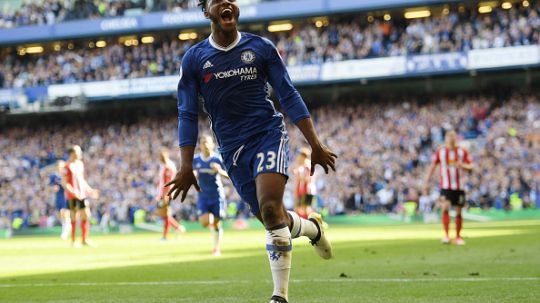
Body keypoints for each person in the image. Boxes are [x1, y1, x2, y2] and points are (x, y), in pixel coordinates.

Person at [166, 1, 338, 302]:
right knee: (275, 219)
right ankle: (313, 229)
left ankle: (279, 296)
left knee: (271, 208)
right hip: (231, 149)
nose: (226, 3)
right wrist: (185, 165)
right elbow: (186, 113)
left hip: (267, 135)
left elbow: (288, 92)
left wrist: (315, 142)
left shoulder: (260, 48)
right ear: (207, 12)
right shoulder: (194, 59)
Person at [424, 131, 473, 245]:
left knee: (459, 211)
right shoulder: (441, 151)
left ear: (456, 138)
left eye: (453, 136)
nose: (451, 138)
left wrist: (463, 165)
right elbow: (433, 166)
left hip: (460, 186)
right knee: (445, 207)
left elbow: (471, 166)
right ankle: (446, 236)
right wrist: (426, 181)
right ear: (445, 138)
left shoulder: (462, 151)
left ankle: (458, 237)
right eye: (449, 136)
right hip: (445, 186)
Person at [193, 135, 229, 256]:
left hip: (217, 195)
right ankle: (214, 230)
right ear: (200, 145)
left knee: (217, 222)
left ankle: (216, 248)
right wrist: (193, 176)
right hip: (203, 196)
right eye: (203, 142)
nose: (205, 145)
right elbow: (192, 175)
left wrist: (219, 171)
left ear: (212, 144)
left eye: (207, 142)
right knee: (205, 222)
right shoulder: (196, 160)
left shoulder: (217, 159)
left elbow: (229, 176)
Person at [63, 145, 98, 247]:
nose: (80, 154)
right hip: (72, 196)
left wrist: (89, 190)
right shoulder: (67, 166)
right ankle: (73, 241)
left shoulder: (80, 164)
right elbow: (65, 183)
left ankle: (84, 239)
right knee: (74, 217)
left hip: (81, 194)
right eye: (78, 152)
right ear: (72, 153)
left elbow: (82, 181)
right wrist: (74, 192)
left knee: (85, 215)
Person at [155, 149, 185, 240]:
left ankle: (168, 234)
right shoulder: (165, 165)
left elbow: (168, 182)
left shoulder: (168, 166)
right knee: (164, 214)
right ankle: (177, 228)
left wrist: (165, 195)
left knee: (165, 214)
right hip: (163, 193)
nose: (160, 158)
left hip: (167, 193)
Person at [293, 148, 316, 219]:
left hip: (307, 190)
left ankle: (311, 224)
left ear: (303, 156)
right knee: (298, 209)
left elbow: (309, 179)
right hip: (301, 190)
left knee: (305, 209)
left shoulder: (307, 166)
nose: (298, 158)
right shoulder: (301, 166)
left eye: (300, 156)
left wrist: (299, 176)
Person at [50, 160, 70, 240]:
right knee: (60, 214)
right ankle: (66, 227)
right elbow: (50, 186)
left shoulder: (66, 175)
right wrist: (53, 188)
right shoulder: (53, 176)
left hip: (65, 196)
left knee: (64, 212)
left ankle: (65, 231)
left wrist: (64, 184)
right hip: (58, 196)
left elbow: (69, 185)